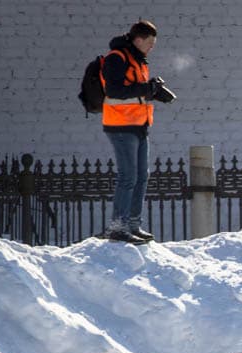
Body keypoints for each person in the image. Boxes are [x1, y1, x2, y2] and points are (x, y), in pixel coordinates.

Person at [101, 20, 165, 243]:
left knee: (141, 177)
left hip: (139, 125)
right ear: (138, 39)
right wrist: (146, 89)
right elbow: (114, 90)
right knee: (128, 176)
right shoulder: (117, 58)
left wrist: (152, 90)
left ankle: (133, 224)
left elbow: (134, 92)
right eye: (150, 42)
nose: (152, 47)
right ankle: (118, 227)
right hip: (120, 126)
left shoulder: (138, 60)